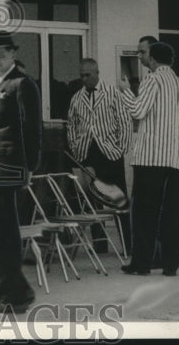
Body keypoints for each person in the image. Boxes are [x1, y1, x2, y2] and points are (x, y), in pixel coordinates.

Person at [0, 31, 41, 314]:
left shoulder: (22, 84)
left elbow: (32, 130)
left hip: (7, 168)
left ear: (13, 54)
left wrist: (29, 167)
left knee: (4, 233)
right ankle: (16, 292)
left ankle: (14, 297)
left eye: (1, 54)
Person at [116, 41, 179, 277]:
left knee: (144, 212)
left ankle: (142, 262)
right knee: (171, 212)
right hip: (175, 158)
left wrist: (125, 91)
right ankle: (171, 263)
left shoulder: (153, 79)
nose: (140, 57)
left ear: (153, 59)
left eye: (143, 54)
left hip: (151, 157)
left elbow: (138, 111)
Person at [66, 58, 131, 248]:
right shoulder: (76, 98)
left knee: (118, 198)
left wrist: (121, 148)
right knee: (93, 198)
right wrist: (75, 146)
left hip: (110, 153)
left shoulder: (112, 93)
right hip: (87, 152)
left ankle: (128, 244)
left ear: (96, 73)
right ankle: (100, 243)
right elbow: (71, 125)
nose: (84, 78)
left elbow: (124, 121)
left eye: (87, 74)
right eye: (81, 75)